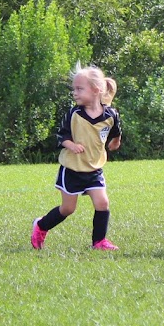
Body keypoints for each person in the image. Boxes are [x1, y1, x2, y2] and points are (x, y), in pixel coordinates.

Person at [31, 65, 122, 251]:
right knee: (68, 209)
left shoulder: (110, 115)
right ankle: (41, 226)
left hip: (94, 169)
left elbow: (116, 130)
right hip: (72, 169)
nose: (75, 93)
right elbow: (61, 135)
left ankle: (99, 242)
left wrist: (115, 141)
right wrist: (71, 145)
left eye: (80, 89)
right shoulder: (74, 114)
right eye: (74, 89)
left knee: (102, 203)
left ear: (96, 90)